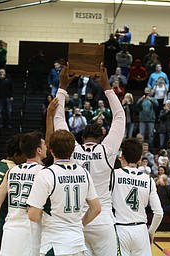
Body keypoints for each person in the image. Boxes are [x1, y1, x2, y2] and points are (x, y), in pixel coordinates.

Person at [54, 63, 125, 256]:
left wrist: (62, 87)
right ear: (100, 138)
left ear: (82, 138)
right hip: (102, 219)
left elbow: (58, 119)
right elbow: (120, 117)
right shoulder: (106, 150)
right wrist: (107, 87)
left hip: (77, 219)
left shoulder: (72, 149)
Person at [27, 130, 101, 256]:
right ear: (72, 150)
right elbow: (96, 209)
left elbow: (33, 216)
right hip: (77, 244)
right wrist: (78, 224)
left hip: (55, 244)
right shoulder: (84, 173)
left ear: (51, 149)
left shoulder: (46, 174)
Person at [0, 131, 48, 256]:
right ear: (39, 151)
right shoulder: (44, 172)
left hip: (10, 231)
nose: (46, 146)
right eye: (44, 145)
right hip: (31, 232)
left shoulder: (11, 171)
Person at [112, 138, 163, 255]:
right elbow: (159, 213)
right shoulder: (148, 180)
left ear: (122, 156)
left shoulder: (113, 175)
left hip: (120, 229)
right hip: (141, 230)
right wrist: (151, 232)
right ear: (140, 158)